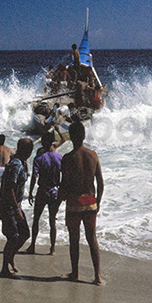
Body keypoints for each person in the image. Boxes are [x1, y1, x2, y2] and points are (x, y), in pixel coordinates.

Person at [58, 121, 105, 285]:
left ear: (70, 137)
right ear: (84, 135)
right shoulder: (93, 155)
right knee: (92, 239)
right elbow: (100, 183)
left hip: (74, 202)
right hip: (90, 201)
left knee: (74, 239)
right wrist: (97, 202)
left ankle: (75, 273)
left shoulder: (67, 158)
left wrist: (59, 201)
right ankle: (97, 276)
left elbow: (64, 184)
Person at [0, 138, 33, 277]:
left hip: (14, 205)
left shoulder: (20, 162)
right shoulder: (17, 164)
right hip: (8, 206)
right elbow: (9, 189)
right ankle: (4, 268)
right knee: (13, 237)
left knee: (25, 234)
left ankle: (10, 257)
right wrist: (16, 209)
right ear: (28, 151)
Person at [27, 131, 63, 255]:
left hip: (42, 191)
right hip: (55, 191)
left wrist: (31, 192)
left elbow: (34, 177)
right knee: (52, 220)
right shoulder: (60, 157)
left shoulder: (39, 158)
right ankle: (52, 249)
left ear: (43, 142)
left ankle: (32, 246)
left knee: (36, 219)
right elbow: (65, 175)